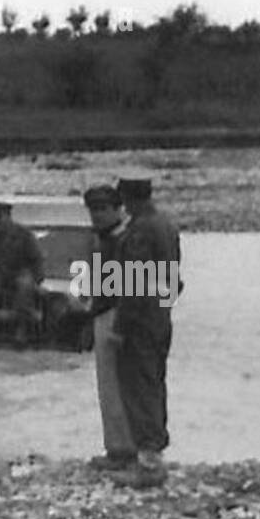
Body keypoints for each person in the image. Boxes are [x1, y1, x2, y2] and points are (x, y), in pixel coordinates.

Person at [108, 176, 181, 488]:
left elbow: (134, 283)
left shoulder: (139, 231)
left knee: (138, 386)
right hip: (160, 316)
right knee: (154, 382)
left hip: (140, 319)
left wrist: (121, 327)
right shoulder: (166, 225)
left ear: (127, 198)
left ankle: (148, 462)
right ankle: (154, 453)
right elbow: (174, 279)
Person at [81, 185, 134, 470]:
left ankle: (123, 449)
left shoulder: (122, 241)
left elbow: (127, 287)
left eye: (102, 209)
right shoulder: (102, 240)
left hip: (116, 316)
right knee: (108, 386)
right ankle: (117, 445)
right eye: (93, 210)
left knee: (117, 386)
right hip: (103, 313)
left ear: (117, 209)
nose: (97, 215)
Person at [0, 199, 44, 343]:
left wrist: (37, 281)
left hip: (22, 270)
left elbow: (37, 259)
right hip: (1, 271)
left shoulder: (24, 234)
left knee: (24, 284)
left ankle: (22, 326)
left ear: (8, 216)